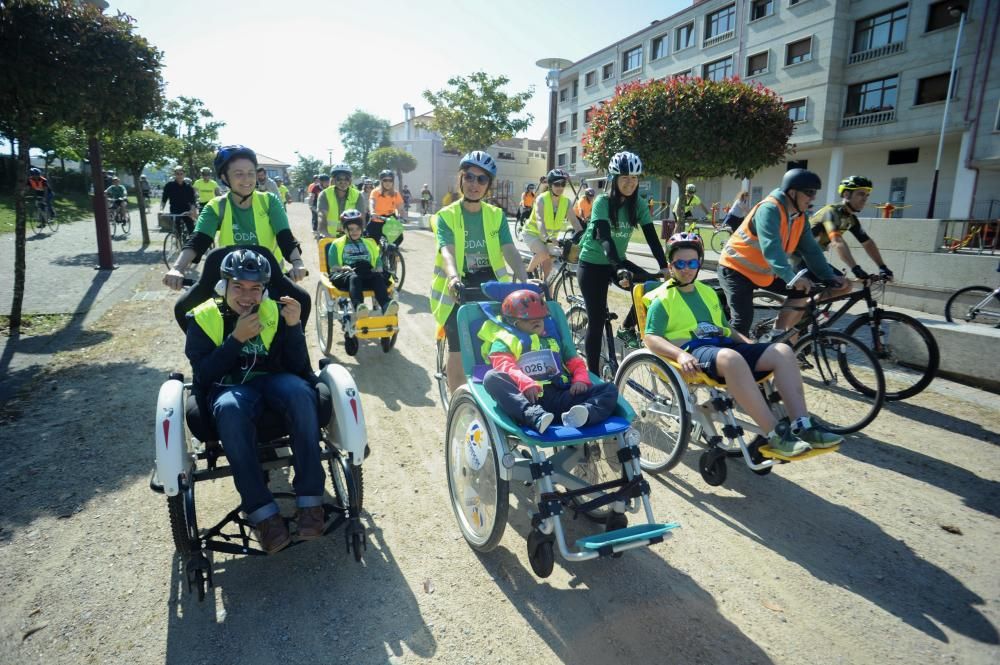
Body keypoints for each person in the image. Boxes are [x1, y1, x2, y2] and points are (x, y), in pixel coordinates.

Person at [643, 233, 842, 457]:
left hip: (723, 346)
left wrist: (750, 344)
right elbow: (651, 337)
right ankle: (774, 435)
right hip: (694, 351)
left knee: (783, 351)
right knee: (731, 358)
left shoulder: (708, 293)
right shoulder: (662, 299)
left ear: (699, 264)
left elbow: (726, 328)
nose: (686, 268)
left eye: (692, 262)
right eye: (680, 263)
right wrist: (680, 355)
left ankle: (803, 425)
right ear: (670, 266)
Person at [185, 248, 325, 553]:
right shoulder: (204, 317)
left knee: (301, 392)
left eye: (255, 288)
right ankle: (264, 516)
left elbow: (298, 366)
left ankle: (311, 504)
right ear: (223, 286)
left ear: (264, 290)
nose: (247, 296)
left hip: (272, 380)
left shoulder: (273, 311)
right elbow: (203, 376)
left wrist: (294, 328)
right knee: (231, 409)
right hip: (229, 387)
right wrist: (236, 340)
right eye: (239, 286)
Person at [162, 145, 310, 319]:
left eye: (251, 173)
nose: (247, 179)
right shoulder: (216, 206)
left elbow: (285, 236)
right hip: (231, 280)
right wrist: (178, 268)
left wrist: (297, 263)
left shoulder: (269, 201)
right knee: (183, 309)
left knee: (303, 302)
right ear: (225, 177)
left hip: (270, 275)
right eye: (239, 173)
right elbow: (198, 240)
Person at [429, 150, 532, 394]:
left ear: (489, 185)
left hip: (490, 282)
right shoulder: (446, 216)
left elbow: (510, 250)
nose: (474, 184)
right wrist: (453, 278)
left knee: (504, 337)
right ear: (461, 179)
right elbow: (448, 252)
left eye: (481, 179)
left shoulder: (495, 215)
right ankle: (458, 404)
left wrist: (524, 277)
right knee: (458, 345)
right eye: (469, 177)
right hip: (459, 286)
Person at [718, 168, 847, 336]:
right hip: (735, 269)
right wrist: (792, 278)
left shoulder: (799, 218)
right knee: (742, 321)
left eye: (814, 193)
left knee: (802, 290)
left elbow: (812, 251)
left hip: (763, 272)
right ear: (792, 193)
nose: (813, 197)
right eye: (809, 192)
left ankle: (776, 336)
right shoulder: (769, 209)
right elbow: (771, 249)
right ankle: (728, 356)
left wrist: (828, 276)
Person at [576, 151, 670, 366]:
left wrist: (664, 266)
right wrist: (618, 268)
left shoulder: (638, 205)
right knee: (597, 320)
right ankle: (593, 375)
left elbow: (652, 238)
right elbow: (604, 237)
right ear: (614, 178)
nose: (630, 183)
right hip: (592, 265)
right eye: (625, 177)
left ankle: (626, 328)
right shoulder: (601, 202)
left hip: (617, 262)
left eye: (635, 178)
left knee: (654, 287)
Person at [481, 289, 618, 433]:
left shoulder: (553, 339)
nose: (537, 322)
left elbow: (575, 362)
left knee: (609, 389)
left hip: (561, 395)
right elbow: (504, 366)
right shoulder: (506, 340)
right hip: (528, 398)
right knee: (491, 377)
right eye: (529, 319)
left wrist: (580, 380)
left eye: (540, 319)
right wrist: (525, 383)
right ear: (512, 322)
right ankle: (535, 416)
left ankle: (582, 414)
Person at [808, 175, 894, 286]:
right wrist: (855, 269)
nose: (865, 199)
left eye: (867, 195)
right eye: (861, 194)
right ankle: (806, 303)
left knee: (845, 285)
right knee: (842, 285)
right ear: (846, 194)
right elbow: (837, 242)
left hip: (813, 258)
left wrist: (882, 267)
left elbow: (867, 242)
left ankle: (810, 303)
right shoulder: (831, 212)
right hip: (797, 257)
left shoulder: (851, 219)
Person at [326, 209, 398, 321]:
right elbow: (333, 265)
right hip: (347, 274)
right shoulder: (336, 245)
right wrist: (342, 268)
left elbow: (376, 259)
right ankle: (359, 307)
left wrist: (378, 267)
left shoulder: (369, 243)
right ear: (344, 229)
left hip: (366, 272)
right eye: (351, 229)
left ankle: (386, 305)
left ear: (362, 229)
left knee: (377, 277)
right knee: (354, 278)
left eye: (358, 229)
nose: (355, 232)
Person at [524, 168, 582, 280]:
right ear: (550, 185)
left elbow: (574, 221)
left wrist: (582, 235)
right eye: (557, 184)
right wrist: (546, 238)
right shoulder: (541, 199)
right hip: (532, 234)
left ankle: (548, 296)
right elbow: (540, 220)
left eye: (563, 184)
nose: (560, 187)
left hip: (550, 239)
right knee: (544, 253)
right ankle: (528, 272)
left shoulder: (566, 202)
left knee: (548, 275)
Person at [318, 164, 366, 239]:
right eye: (339, 179)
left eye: (346, 179)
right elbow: (322, 215)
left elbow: (361, 217)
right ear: (333, 180)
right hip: (329, 236)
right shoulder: (325, 194)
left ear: (350, 180)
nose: (343, 181)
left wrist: (361, 233)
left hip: (351, 237)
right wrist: (323, 232)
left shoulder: (358, 195)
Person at [368, 169, 405, 244]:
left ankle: (391, 254)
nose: (388, 183)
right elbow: (372, 202)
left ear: (393, 182)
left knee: (398, 238)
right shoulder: (375, 192)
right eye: (385, 180)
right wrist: (372, 212)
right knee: (371, 241)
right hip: (376, 219)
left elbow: (400, 206)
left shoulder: (395, 193)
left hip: (390, 220)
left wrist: (402, 215)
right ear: (381, 181)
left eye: (390, 180)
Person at [160, 165, 198, 235]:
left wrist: (192, 211)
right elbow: (164, 200)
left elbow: (192, 201)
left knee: (191, 230)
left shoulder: (189, 188)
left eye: (181, 174)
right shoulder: (169, 186)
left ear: (184, 174)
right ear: (175, 175)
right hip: (175, 211)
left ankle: (189, 243)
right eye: (177, 174)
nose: (179, 176)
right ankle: (178, 241)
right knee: (177, 231)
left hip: (186, 211)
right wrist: (161, 210)